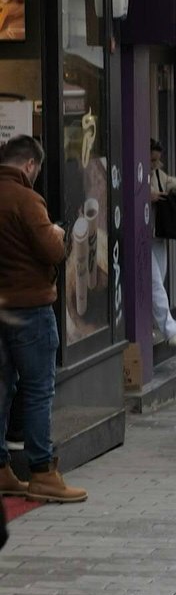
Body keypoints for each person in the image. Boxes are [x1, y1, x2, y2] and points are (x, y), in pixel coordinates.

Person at [0, 135, 85, 503]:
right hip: (29, 309)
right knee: (37, 390)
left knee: (1, 391)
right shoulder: (26, 199)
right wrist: (60, 235)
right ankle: (42, 473)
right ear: (30, 165)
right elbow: (52, 250)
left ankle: (2, 470)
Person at [150, 140, 176, 348]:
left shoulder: (159, 174)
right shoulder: (136, 174)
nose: (155, 164)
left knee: (159, 279)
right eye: (151, 160)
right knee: (154, 282)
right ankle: (169, 329)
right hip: (141, 237)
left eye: (157, 160)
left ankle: (151, 324)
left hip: (158, 234)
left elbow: (174, 183)